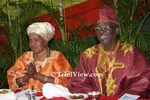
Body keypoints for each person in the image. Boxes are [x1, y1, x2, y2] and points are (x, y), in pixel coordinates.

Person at [66, 5, 150, 98]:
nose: (101, 31)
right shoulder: (88, 55)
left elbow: (145, 79)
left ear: (117, 30)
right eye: (98, 29)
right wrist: (96, 96)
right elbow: (77, 82)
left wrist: (122, 97)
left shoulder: (131, 53)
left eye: (106, 28)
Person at [7, 22, 73, 92]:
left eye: (36, 40)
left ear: (45, 41)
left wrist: (36, 75)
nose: (32, 44)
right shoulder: (25, 58)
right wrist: (28, 76)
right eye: (30, 41)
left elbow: (65, 81)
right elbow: (13, 83)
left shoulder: (56, 57)